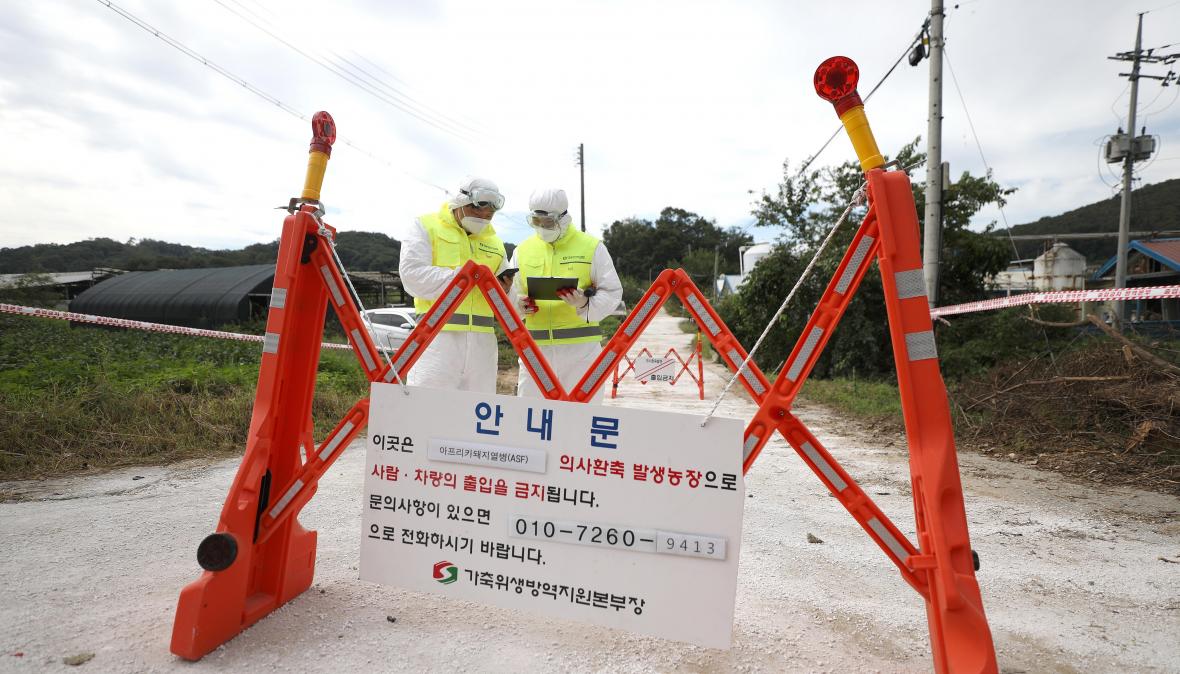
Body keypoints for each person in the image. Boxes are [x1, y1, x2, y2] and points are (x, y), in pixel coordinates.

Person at [509, 188, 623, 402]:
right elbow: (511, 293)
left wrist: (585, 304)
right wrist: (518, 305)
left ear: (563, 217)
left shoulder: (592, 247)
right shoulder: (521, 250)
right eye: (537, 221)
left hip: (582, 351)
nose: (542, 227)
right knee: (531, 415)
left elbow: (613, 291)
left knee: (582, 415)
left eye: (548, 222)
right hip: (536, 350)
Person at [399, 177, 510, 392]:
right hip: (435, 337)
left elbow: (508, 299)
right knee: (427, 411)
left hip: (483, 343)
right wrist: (463, 278)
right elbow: (411, 276)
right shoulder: (425, 225)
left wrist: (504, 290)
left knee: (476, 414)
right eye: (477, 211)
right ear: (460, 202)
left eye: (489, 215)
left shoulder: (495, 242)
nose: (483, 218)